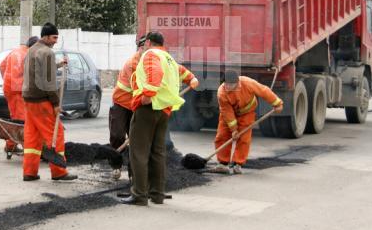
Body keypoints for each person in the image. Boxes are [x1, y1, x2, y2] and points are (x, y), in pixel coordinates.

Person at [121, 31, 198, 206]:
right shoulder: (168, 58)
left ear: (148, 42)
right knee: (158, 152)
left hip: (148, 108)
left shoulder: (151, 54)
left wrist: (147, 94)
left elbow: (153, 73)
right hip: (164, 111)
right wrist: (192, 79)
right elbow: (185, 73)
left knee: (139, 152)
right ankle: (157, 194)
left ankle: (139, 195)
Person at [22, 22, 77, 182]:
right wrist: (55, 104)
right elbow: (48, 82)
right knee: (56, 133)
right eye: (54, 37)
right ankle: (59, 172)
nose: (55, 41)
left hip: (28, 99)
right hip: (42, 100)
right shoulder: (47, 52)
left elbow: (41, 69)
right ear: (45, 36)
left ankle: (29, 172)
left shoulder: (32, 49)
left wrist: (59, 65)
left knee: (33, 137)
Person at [211, 70, 284, 174]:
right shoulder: (221, 92)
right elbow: (227, 111)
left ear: (237, 83)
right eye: (226, 83)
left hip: (247, 113)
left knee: (244, 138)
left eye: (230, 84)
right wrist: (234, 130)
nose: (227, 86)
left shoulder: (248, 83)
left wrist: (277, 103)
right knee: (222, 136)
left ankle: (238, 164)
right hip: (228, 115)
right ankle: (223, 163)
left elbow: (264, 91)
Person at [108, 34, 146, 179]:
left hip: (138, 104)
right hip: (122, 102)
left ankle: (133, 173)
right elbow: (140, 88)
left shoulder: (151, 62)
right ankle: (116, 165)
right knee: (117, 135)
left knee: (135, 139)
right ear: (141, 48)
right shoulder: (134, 63)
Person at [0, 36, 39, 154]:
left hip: (10, 90)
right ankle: (27, 149)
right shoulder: (28, 55)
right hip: (19, 91)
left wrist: (7, 80)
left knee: (16, 118)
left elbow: (2, 66)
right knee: (21, 120)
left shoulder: (15, 51)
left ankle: (11, 145)